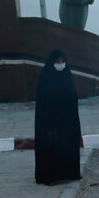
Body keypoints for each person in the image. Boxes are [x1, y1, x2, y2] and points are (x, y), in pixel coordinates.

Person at [35, 50, 82, 185]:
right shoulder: (46, 79)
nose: (60, 65)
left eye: (62, 62)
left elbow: (72, 99)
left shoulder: (68, 77)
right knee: (52, 148)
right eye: (57, 62)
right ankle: (52, 177)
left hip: (67, 121)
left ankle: (70, 173)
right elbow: (43, 102)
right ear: (52, 63)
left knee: (68, 146)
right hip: (51, 121)